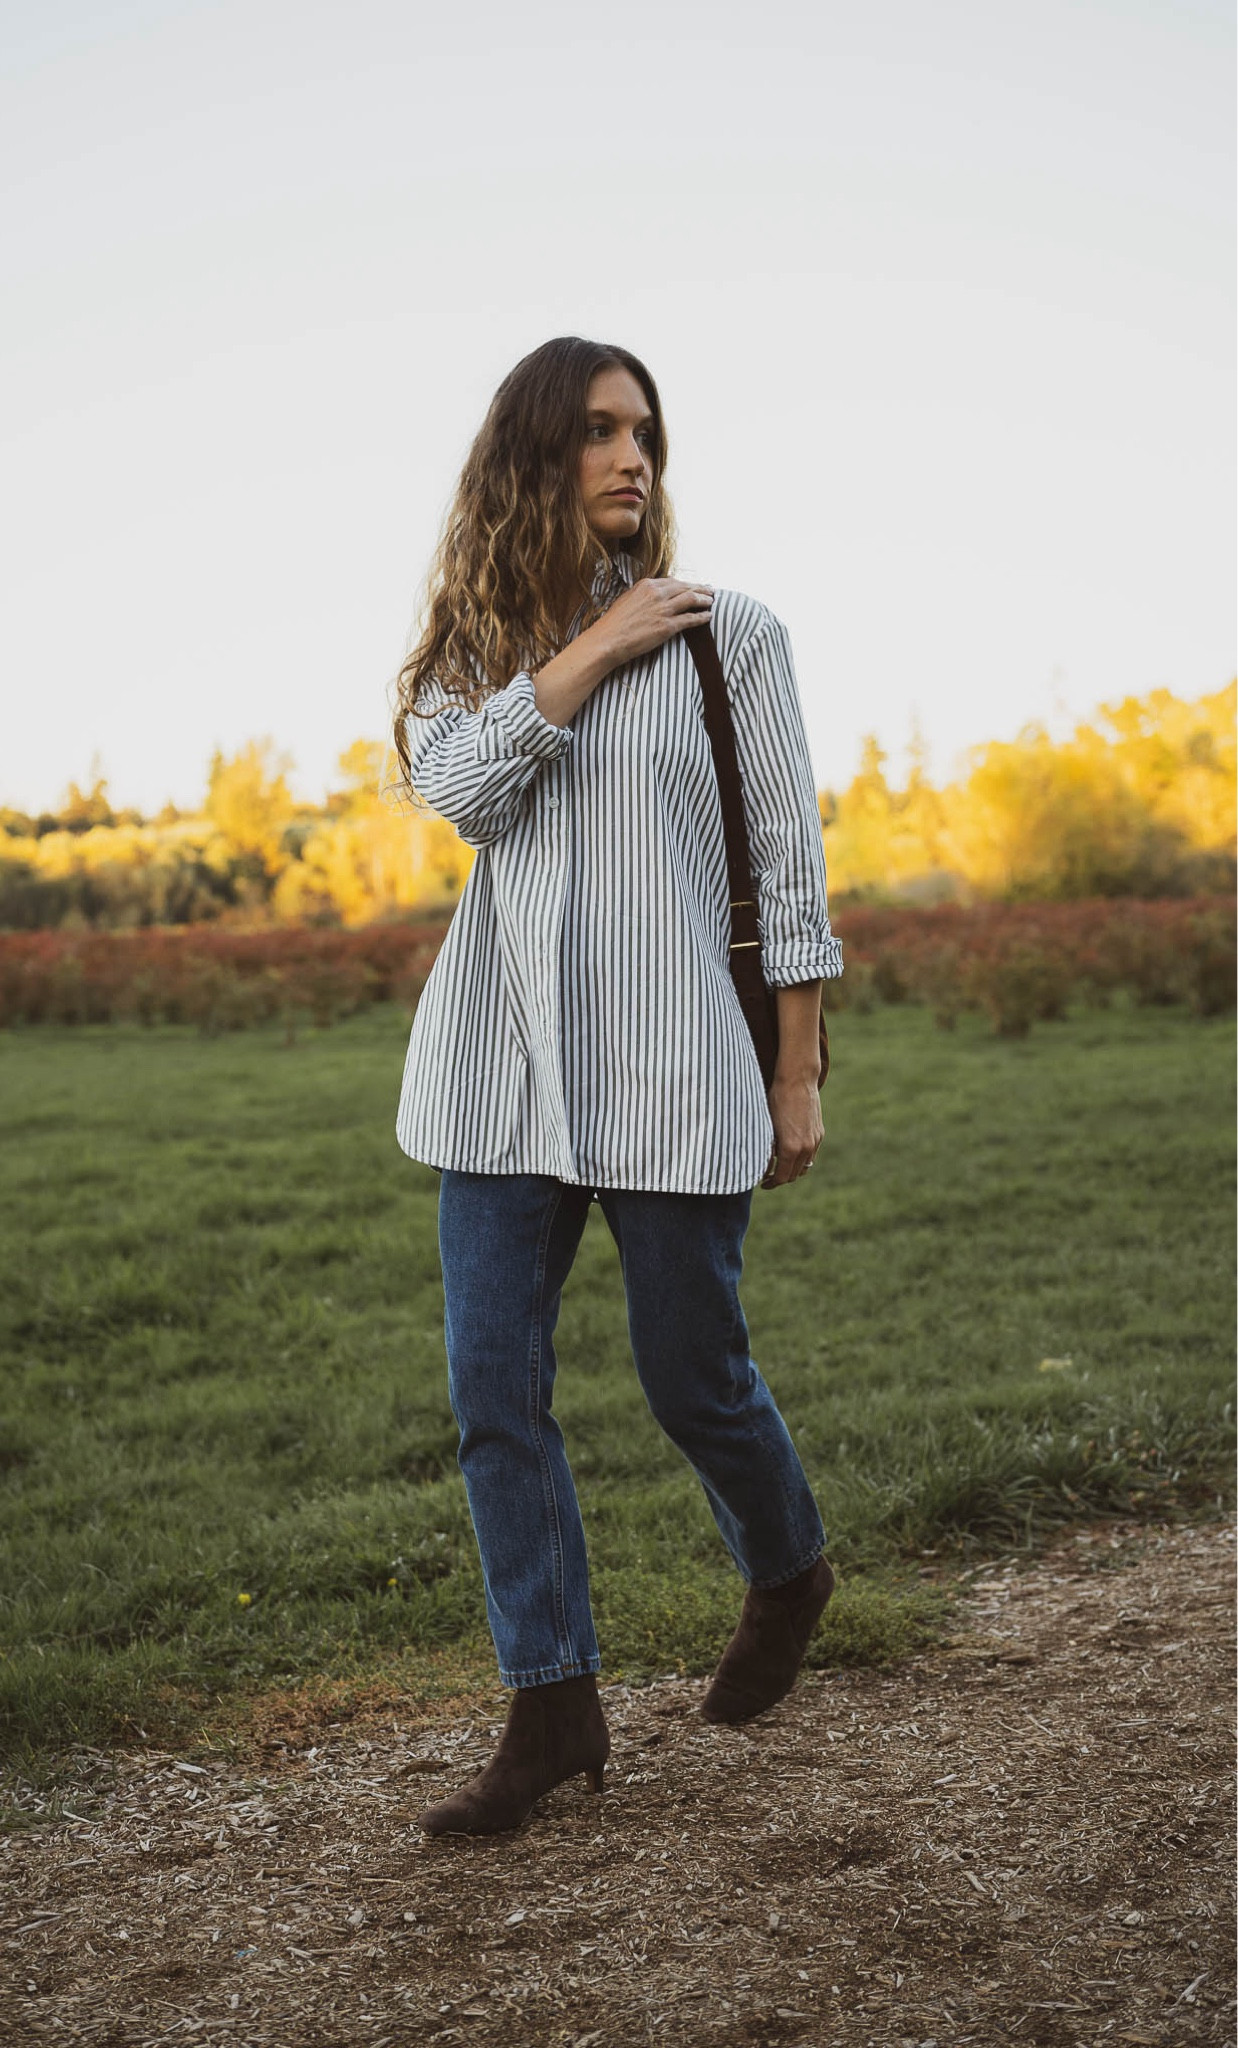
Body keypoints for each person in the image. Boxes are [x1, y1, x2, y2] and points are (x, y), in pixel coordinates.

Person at [391, 336, 842, 1837]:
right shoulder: (473, 650)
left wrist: (795, 1072)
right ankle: (551, 1701)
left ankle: (787, 1566)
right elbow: (459, 794)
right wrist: (588, 650)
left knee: (688, 1376)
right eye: (593, 432)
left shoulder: (737, 639)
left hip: (674, 1075)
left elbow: (787, 870)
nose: (629, 456)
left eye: (641, 430)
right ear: (531, 459)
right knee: (489, 1398)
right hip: (498, 1084)